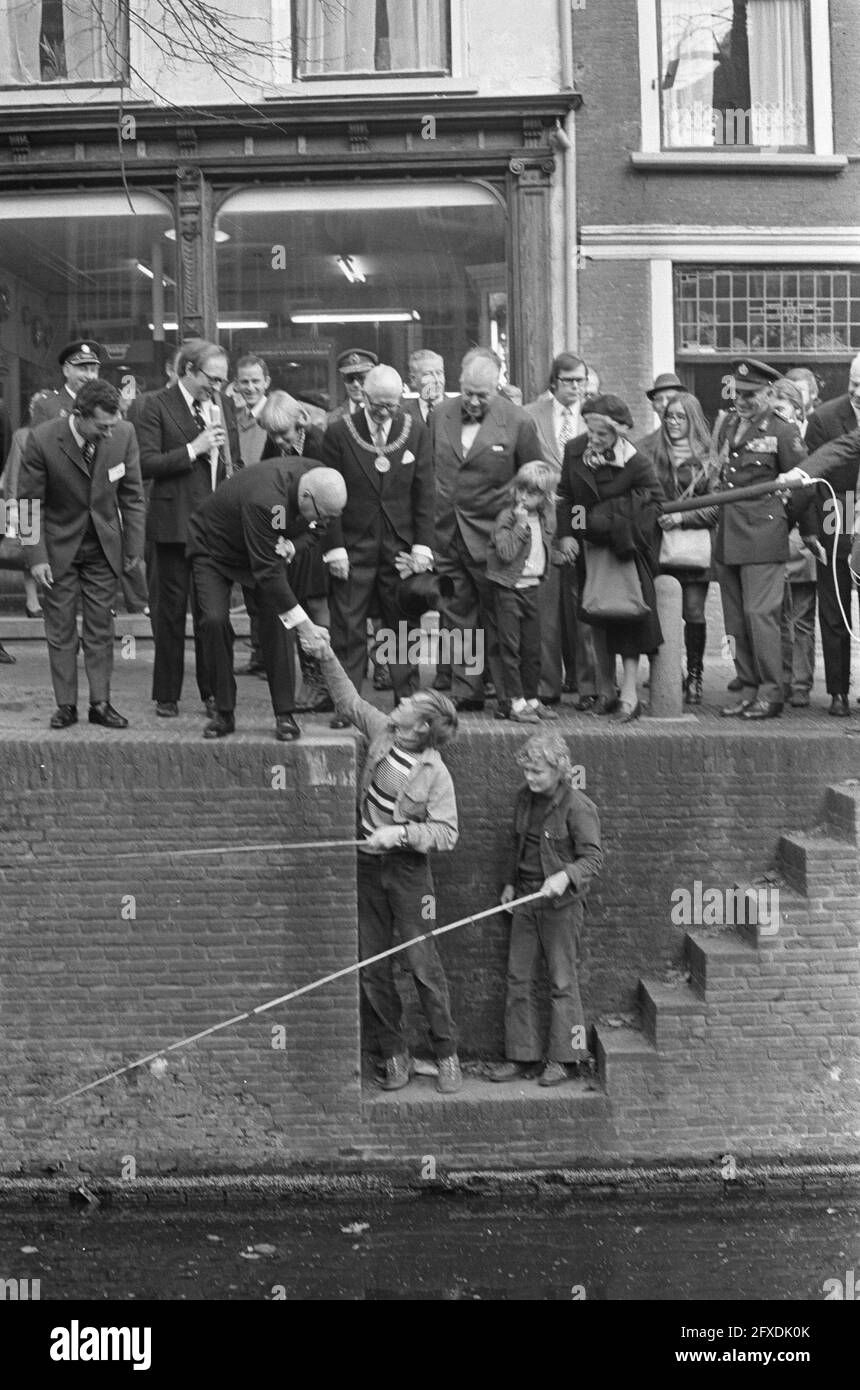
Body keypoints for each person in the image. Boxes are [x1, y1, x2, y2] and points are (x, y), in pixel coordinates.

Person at [306, 625, 463, 1093]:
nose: (400, 704)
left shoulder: (437, 774)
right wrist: (327, 653)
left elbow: (448, 833)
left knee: (422, 965)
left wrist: (400, 835)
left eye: (410, 707)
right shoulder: (383, 732)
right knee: (372, 966)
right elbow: (350, 701)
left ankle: (447, 1054)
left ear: (422, 728)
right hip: (367, 868)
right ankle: (394, 1054)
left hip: (408, 874)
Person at [17, 380, 145, 729]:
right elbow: (28, 505)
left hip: (104, 548)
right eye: (101, 426)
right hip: (58, 549)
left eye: (113, 424)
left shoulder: (123, 434)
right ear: (79, 416)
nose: (108, 432)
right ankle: (66, 705)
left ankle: (100, 703)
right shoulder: (42, 439)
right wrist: (37, 556)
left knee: (101, 627)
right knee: (60, 629)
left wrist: (133, 548)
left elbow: (132, 496)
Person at [186, 464, 346, 740]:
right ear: (306, 497)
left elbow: (317, 528)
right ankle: (223, 711)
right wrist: (306, 626)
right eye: (322, 514)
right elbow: (269, 573)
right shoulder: (267, 500)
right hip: (214, 550)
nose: (325, 521)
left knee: (277, 623)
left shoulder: (319, 483)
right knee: (214, 620)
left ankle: (284, 714)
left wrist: (295, 545)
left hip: (258, 550)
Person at [488, 732, 603, 1087]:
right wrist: (509, 883)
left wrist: (565, 877)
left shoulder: (579, 807)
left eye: (537, 772)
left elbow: (595, 858)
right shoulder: (525, 799)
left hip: (561, 907)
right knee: (517, 978)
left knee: (562, 981)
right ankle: (522, 1056)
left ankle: (566, 1059)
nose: (530, 778)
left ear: (559, 769)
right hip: (525, 900)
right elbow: (516, 845)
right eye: (526, 771)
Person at [432, 348, 543, 710]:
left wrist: (529, 534)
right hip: (447, 533)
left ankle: (504, 691)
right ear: (458, 383)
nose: (475, 401)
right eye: (469, 393)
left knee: (498, 617)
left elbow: (534, 482)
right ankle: (467, 689)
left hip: (496, 538)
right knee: (456, 614)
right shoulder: (438, 415)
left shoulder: (519, 421)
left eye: (484, 394)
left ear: (498, 385)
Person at [322, 363, 434, 720]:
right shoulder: (339, 433)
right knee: (348, 628)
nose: (384, 412)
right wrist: (334, 547)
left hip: (400, 547)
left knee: (402, 626)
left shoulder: (415, 431)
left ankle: (407, 703)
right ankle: (348, 704)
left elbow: (425, 492)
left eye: (392, 404)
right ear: (363, 396)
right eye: (378, 404)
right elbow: (327, 492)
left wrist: (422, 546)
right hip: (353, 545)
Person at [136, 339, 240, 718]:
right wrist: (194, 449)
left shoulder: (222, 405)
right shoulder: (153, 404)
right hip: (172, 526)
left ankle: (213, 692)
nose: (218, 386)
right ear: (188, 371)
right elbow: (144, 462)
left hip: (214, 528)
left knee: (213, 616)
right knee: (170, 613)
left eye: (222, 380)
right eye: (212, 379)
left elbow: (235, 461)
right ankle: (167, 694)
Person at [557, 394, 665, 723]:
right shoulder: (574, 450)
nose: (594, 438)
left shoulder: (636, 461)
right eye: (590, 430)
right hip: (587, 549)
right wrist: (570, 534)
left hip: (622, 551)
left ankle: (630, 696)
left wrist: (610, 520)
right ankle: (606, 690)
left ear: (618, 431)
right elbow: (567, 496)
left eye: (602, 434)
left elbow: (654, 503)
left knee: (627, 618)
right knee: (595, 618)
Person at [713, 358, 809, 721]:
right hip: (728, 535)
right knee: (734, 621)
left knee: (760, 615)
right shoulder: (729, 426)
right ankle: (747, 687)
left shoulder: (784, 431)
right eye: (738, 393)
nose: (742, 400)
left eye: (751, 394)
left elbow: (802, 487)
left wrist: (782, 523)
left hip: (763, 536)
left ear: (769, 393)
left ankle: (772, 693)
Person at [526, 352, 594, 707]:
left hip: (582, 521)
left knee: (583, 608)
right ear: (554, 382)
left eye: (580, 380)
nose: (575, 387)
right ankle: (547, 685)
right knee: (546, 611)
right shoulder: (531, 415)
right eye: (568, 381)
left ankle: (588, 686)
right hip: (543, 522)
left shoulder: (595, 419)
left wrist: (577, 531)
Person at [799, 353, 860, 712]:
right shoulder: (824, 418)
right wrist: (809, 530)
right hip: (836, 513)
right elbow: (810, 477)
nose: (855, 391)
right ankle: (838, 691)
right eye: (852, 383)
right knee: (834, 607)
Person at [650, 392, 718, 705]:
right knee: (661, 613)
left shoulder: (708, 458)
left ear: (692, 420)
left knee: (693, 612)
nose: (673, 422)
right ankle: (667, 672)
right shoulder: (651, 452)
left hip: (693, 546)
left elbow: (717, 507)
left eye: (681, 417)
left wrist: (681, 517)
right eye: (669, 416)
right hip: (658, 545)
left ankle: (695, 676)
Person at [487, 460, 559, 723]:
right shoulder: (507, 518)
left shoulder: (544, 516)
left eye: (533, 492)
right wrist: (519, 525)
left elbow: (545, 547)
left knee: (532, 649)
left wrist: (560, 553)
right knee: (511, 648)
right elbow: (505, 553)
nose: (524, 496)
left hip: (531, 588)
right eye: (521, 489)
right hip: (508, 589)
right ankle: (514, 702)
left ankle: (531, 698)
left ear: (545, 496)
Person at [30, 340, 101, 427]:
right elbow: (39, 439)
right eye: (83, 369)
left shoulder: (102, 405)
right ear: (66, 370)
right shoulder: (46, 405)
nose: (89, 376)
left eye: (93, 370)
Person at [324, 348, 379, 428]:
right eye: (349, 379)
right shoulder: (332, 419)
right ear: (343, 380)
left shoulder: (383, 413)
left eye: (362, 378)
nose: (356, 384)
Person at [233, 354, 272, 467]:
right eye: (244, 382)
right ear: (236, 384)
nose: (250, 388)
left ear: (267, 382)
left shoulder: (277, 416)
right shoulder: (233, 418)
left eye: (255, 381)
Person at [636, 371, 684, 456]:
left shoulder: (700, 443)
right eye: (659, 399)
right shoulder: (642, 448)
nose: (664, 404)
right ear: (654, 406)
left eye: (670, 398)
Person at [402, 349, 447, 425]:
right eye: (428, 374)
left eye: (439, 373)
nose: (436, 380)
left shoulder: (458, 409)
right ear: (413, 379)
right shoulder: (402, 415)